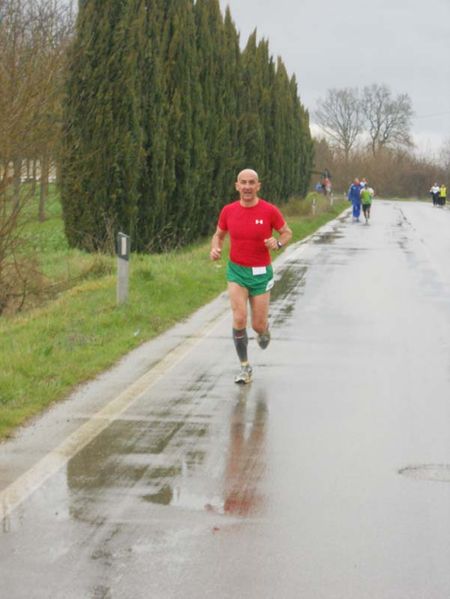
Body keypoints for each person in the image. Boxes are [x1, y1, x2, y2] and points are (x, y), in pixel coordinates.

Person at [209, 168, 292, 384]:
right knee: (239, 318)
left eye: (251, 183)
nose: (247, 187)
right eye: (243, 182)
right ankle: (245, 368)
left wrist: (278, 242)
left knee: (257, 325)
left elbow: (287, 232)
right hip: (236, 271)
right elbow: (218, 235)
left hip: (261, 272)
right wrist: (215, 248)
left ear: (258, 186)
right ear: (237, 185)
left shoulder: (269, 210)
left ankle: (264, 331)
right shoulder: (228, 211)